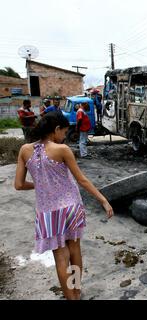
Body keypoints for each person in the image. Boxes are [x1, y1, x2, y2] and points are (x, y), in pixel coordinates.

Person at [14, 112, 114, 300]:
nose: (65, 137)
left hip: (47, 212)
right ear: (56, 129)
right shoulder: (62, 149)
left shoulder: (24, 150)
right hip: (71, 207)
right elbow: (82, 180)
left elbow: (18, 185)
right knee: (74, 250)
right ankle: (76, 291)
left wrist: (39, 184)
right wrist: (103, 199)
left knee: (60, 258)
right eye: (64, 132)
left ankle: (71, 298)